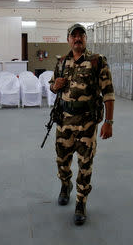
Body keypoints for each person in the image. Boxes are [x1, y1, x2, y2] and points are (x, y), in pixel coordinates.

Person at [49, 23, 115, 226]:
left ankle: (81, 202)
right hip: (64, 121)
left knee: (85, 165)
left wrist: (108, 122)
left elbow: (109, 93)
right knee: (62, 161)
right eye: (74, 35)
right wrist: (54, 86)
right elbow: (53, 86)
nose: (77, 38)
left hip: (87, 123)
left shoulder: (97, 61)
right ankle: (65, 184)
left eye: (81, 35)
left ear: (85, 39)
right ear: (68, 39)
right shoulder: (61, 62)